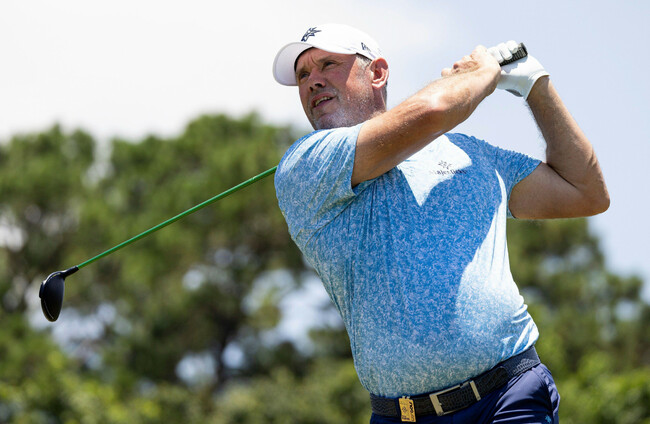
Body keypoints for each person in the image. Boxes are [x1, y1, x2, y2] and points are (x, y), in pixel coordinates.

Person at [272, 23, 609, 423]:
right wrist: (482, 74)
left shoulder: (469, 153)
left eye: (328, 64)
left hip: (509, 395)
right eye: (303, 74)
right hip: (402, 415)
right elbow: (434, 110)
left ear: (377, 73)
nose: (312, 81)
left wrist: (535, 85)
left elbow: (585, 191)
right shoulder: (305, 166)